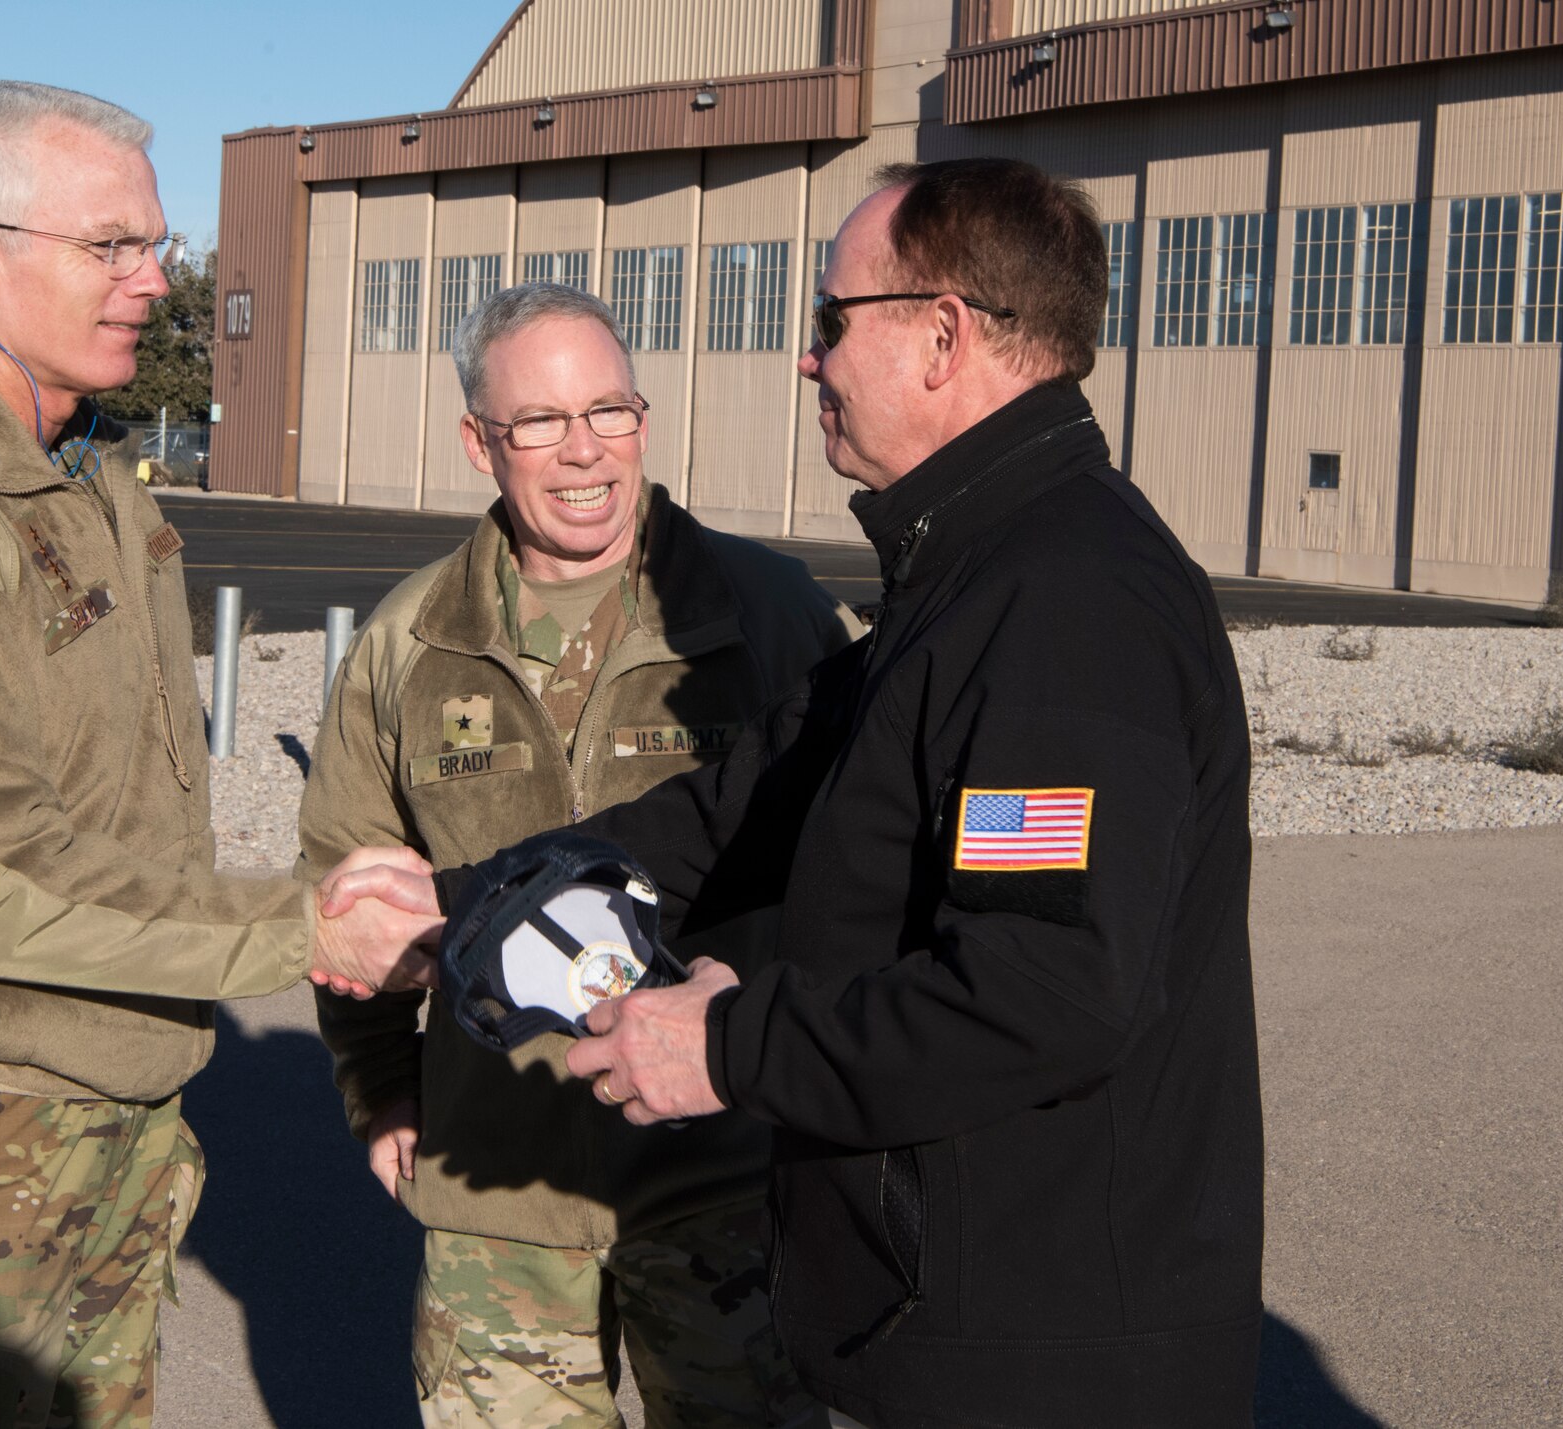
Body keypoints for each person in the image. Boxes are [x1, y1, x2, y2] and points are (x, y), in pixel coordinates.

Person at [333, 159, 1265, 1429]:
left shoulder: (1063, 603)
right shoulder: (965, 577)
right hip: (955, 1326)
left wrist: (723, 1047)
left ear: (941, 336)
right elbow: (744, 801)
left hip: (1040, 1356)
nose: (806, 357)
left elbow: (1041, 988)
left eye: (831, 317)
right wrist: (461, 901)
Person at [0, 80, 433, 1429]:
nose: (154, 281)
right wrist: (307, 929)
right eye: (112, 246)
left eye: (153, 245)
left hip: (97, 1118)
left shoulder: (84, 469)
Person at [303, 281, 861, 1427]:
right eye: (541, 421)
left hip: (725, 1182)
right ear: (479, 442)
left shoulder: (767, 616)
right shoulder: (409, 643)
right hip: (496, 1195)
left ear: (641, 420)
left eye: (608, 410)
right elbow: (352, 890)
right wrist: (381, 1087)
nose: (583, 451)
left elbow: (858, 867)